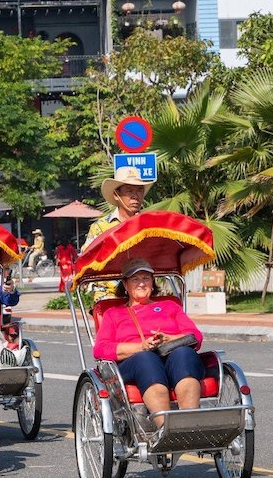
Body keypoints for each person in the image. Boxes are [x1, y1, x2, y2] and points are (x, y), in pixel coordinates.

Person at [92, 257, 205, 429]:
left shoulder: (170, 306)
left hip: (172, 357)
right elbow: (100, 349)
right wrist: (141, 346)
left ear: (152, 283)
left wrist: (170, 339)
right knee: (146, 359)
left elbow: (195, 336)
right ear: (125, 285)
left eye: (146, 278)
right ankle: (165, 430)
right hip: (135, 362)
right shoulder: (113, 314)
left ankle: (188, 428)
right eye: (135, 279)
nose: (141, 283)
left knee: (184, 353)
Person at [83, 166, 154, 249]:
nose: (135, 196)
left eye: (139, 190)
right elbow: (88, 255)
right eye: (129, 191)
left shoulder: (150, 224)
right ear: (116, 195)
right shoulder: (100, 227)